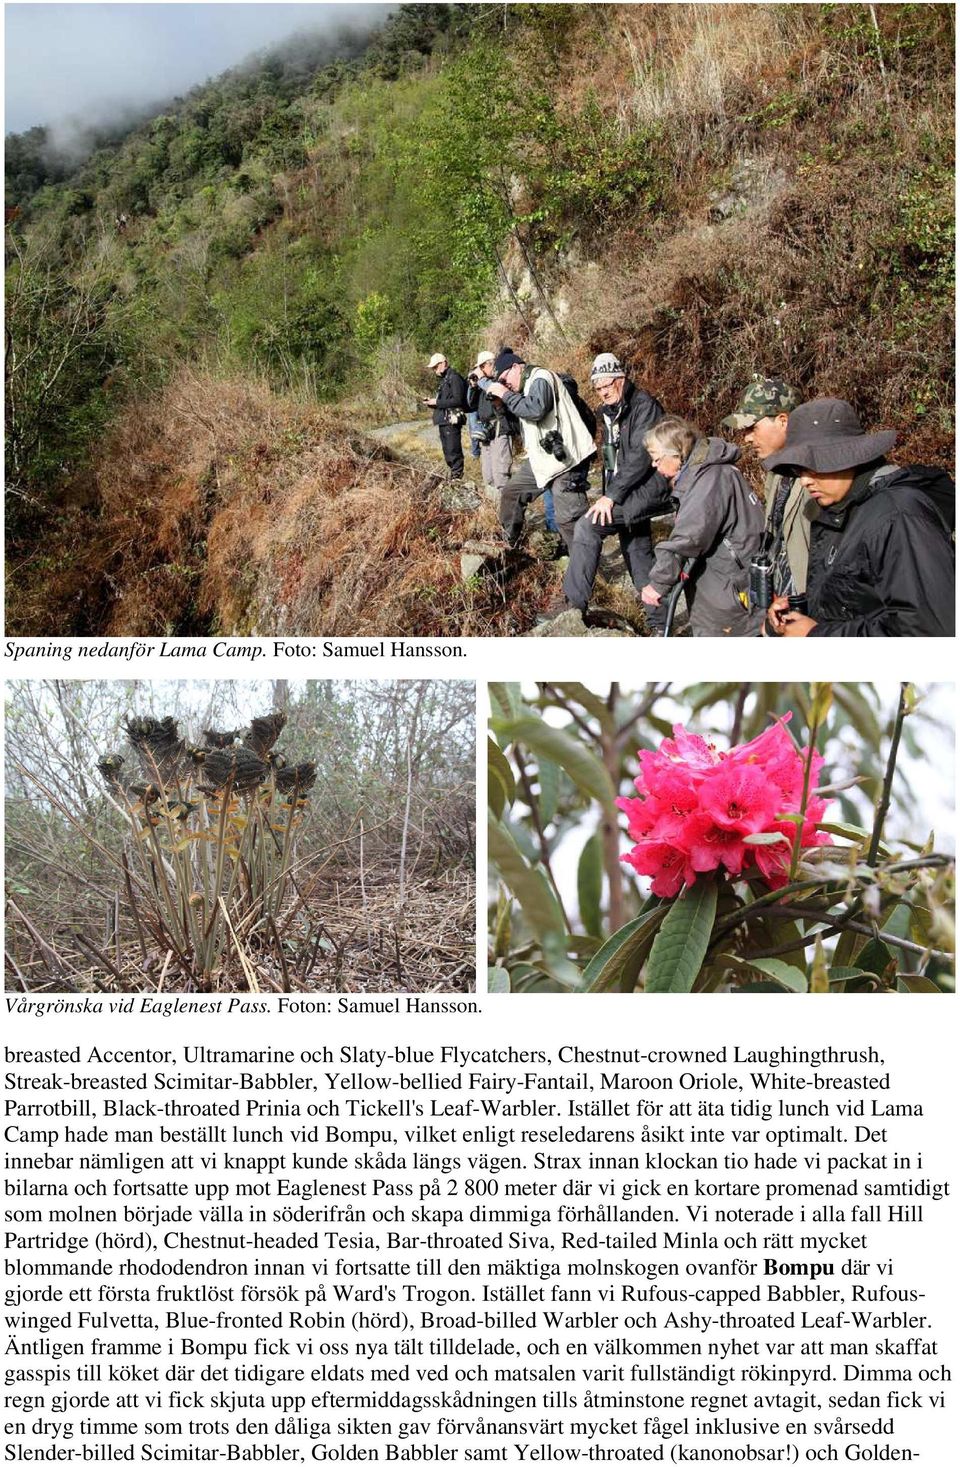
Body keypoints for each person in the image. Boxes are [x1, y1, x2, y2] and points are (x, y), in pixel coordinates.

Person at [761, 398, 955, 637]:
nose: (804, 481)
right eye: (798, 470)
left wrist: (817, 636)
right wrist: (799, 608)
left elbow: (927, 631)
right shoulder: (838, 508)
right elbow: (859, 596)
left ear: (846, 456)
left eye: (813, 466)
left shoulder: (898, 516)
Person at [564, 353, 674, 623]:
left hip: (646, 488)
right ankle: (661, 625)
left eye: (607, 385)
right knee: (638, 553)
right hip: (628, 490)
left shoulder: (643, 406)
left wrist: (610, 496)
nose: (602, 392)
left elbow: (640, 455)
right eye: (598, 388)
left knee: (587, 526)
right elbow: (613, 459)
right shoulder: (610, 412)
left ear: (621, 380)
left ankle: (573, 608)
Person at [640, 416, 765, 637]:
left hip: (728, 590)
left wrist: (658, 583)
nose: (653, 465)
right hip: (728, 581)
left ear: (677, 454)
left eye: (656, 458)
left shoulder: (709, 480)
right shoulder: (707, 473)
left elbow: (689, 537)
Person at [482, 348, 596, 551]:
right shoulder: (522, 390)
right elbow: (515, 429)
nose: (504, 383)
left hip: (567, 461)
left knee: (568, 520)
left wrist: (505, 394)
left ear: (516, 366)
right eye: (499, 381)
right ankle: (508, 545)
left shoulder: (540, 377)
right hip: (543, 460)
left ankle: (586, 569)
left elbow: (535, 410)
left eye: (504, 378)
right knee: (511, 492)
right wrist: (501, 405)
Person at [722, 375, 813, 599]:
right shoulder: (776, 470)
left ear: (783, 421)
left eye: (753, 427)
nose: (747, 438)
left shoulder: (818, 474)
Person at [465, 351, 516, 500]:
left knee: (501, 474)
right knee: (488, 475)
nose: (480, 370)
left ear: (490, 364)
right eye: (479, 367)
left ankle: (508, 513)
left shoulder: (500, 380)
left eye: (482, 366)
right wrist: (473, 386)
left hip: (500, 430)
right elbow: (470, 404)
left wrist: (481, 380)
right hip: (486, 432)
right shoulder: (482, 384)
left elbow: (495, 391)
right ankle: (494, 511)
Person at [422, 352, 467, 480]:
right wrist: (432, 403)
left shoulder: (454, 378)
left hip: (451, 421)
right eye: (433, 368)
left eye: (436, 367)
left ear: (444, 364)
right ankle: (453, 479)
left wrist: (437, 402)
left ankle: (457, 479)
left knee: (453, 452)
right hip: (444, 421)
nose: (434, 370)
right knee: (448, 452)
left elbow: (458, 400)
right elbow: (446, 401)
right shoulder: (445, 379)